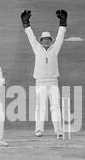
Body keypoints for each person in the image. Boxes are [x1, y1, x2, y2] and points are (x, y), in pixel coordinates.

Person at [21, 9, 67, 137]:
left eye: (48, 39)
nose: (46, 41)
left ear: (51, 40)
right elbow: (31, 37)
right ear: (41, 41)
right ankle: (39, 129)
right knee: (40, 106)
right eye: (44, 39)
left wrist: (63, 23)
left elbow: (61, 37)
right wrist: (26, 23)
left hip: (53, 82)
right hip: (40, 82)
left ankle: (58, 130)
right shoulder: (37, 48)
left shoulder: (55, 48)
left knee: (55, 107)